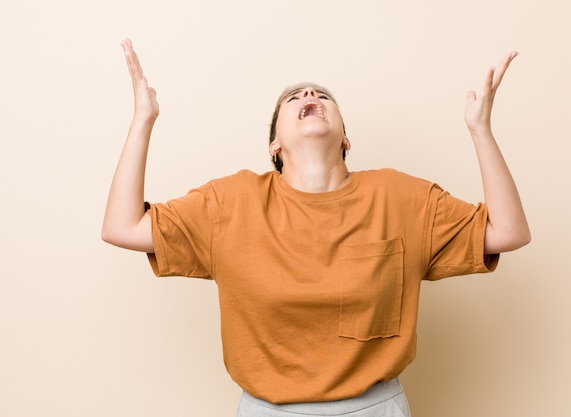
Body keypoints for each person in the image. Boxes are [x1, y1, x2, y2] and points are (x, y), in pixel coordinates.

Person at [102, 38, 530, 417]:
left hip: (374, 409)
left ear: (345, 138)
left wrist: (480, 130)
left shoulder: (402, 197)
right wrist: (143, 120)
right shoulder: (228, 203)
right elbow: (123, 226)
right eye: (295, 97)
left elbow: (508, 232)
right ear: (274, 145)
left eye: (322, 94)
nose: (310, 93)